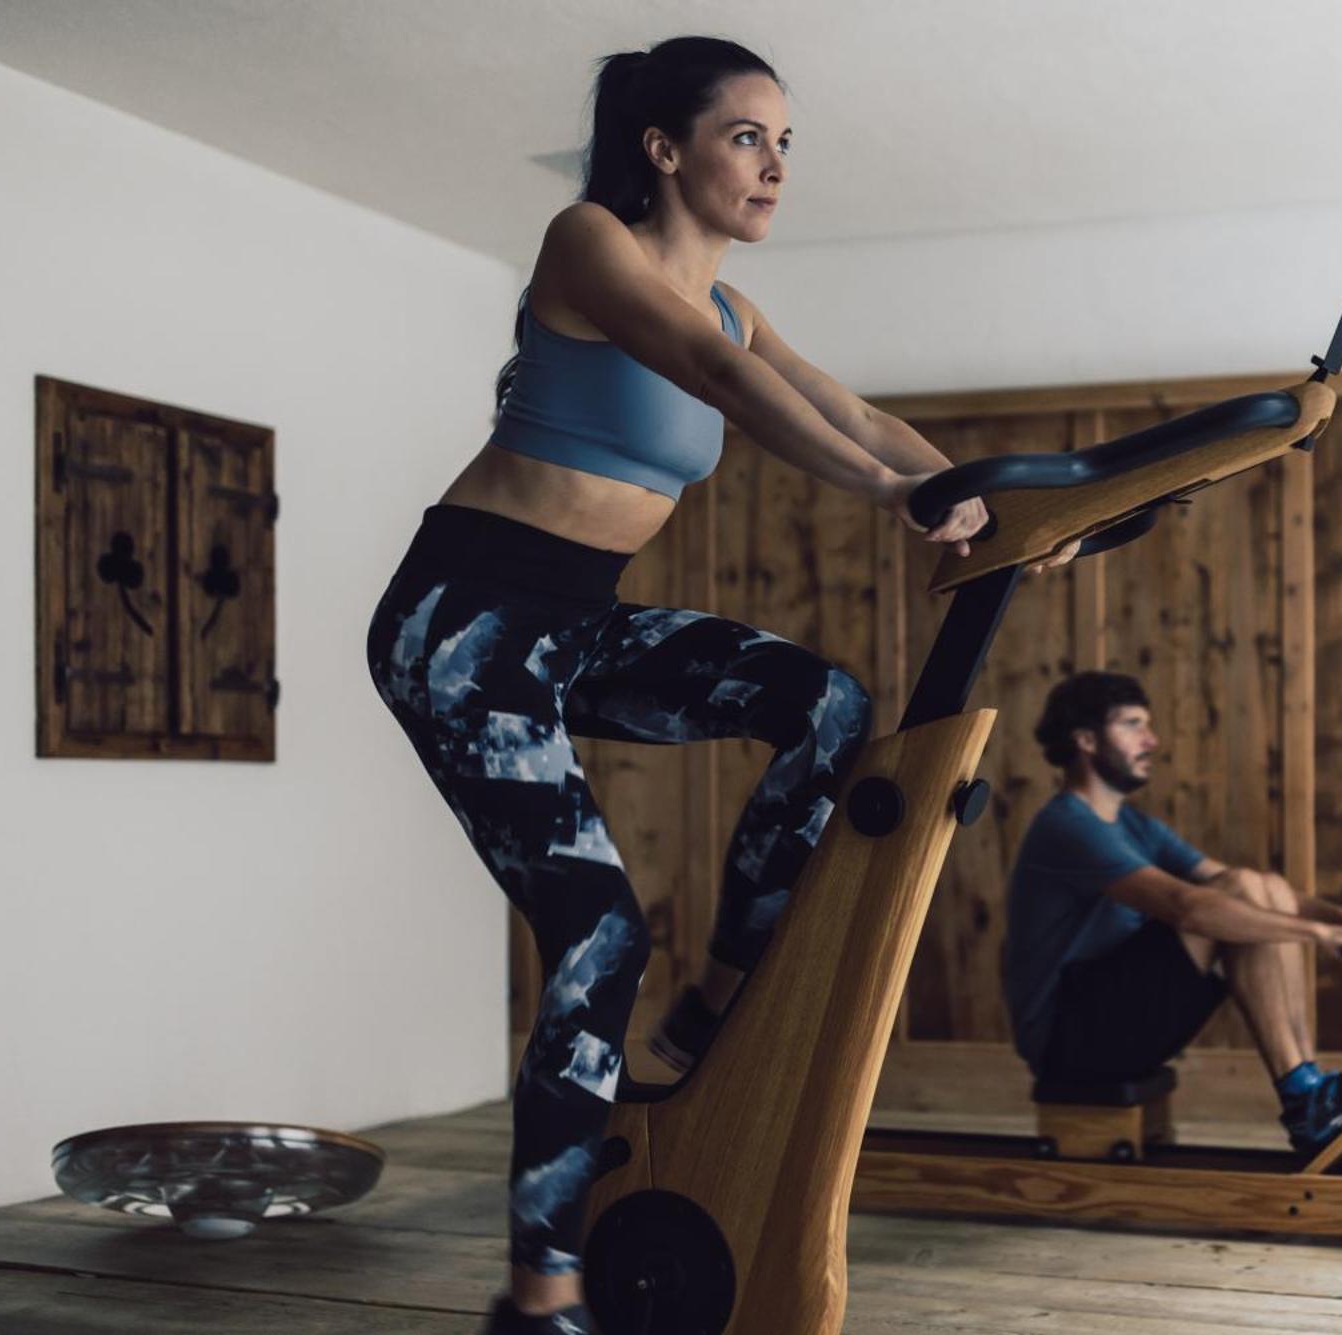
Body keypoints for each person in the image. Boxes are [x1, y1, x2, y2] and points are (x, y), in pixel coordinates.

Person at [364, 37, 1053, 1334]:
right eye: (748, 135)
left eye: (788, 143)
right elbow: (725, 384)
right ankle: (542, 1287)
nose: (776, 165)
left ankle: (717, 996)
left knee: (828, 705)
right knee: (597, 931)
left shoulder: (739, 305)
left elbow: (853, 414)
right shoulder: (591, 245)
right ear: (663, 149)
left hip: (573, 622)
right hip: (461, 619)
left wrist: (1002, 504)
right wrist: (900, 499)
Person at [1002, 671, 1342, 1156]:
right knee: (1238, 894)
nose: (1151, 740)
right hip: (1069, 1041)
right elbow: (1187, 907)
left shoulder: (1135, 826)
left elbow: (1251, 889)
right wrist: (1322, 934)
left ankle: (1311, 1089)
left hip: (1120, 1019)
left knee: (1262, 886)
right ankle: (1307, 1100)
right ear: (1087, 740)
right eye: (1133, 725)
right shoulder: (1066, 825)